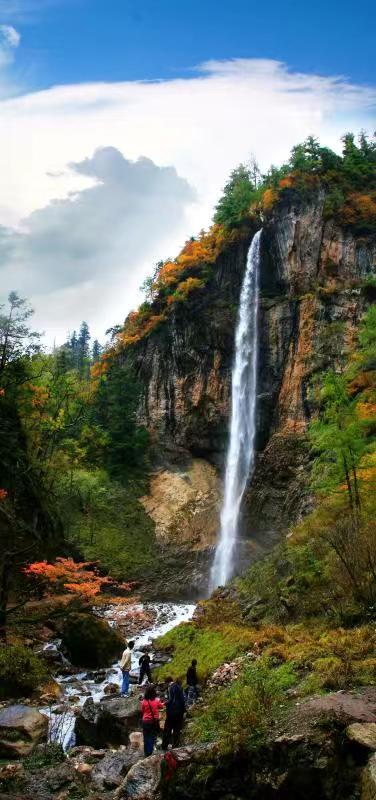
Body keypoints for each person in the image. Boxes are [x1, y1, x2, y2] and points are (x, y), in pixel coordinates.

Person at [162, 677, 186, 750]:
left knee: (167, 729)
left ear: (167, 682)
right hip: (179, 713)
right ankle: (175, 747)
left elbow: (171, 700)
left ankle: (164, 746)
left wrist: (164, 703)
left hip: (171, 712)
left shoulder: (170, 688)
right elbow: (183, 700)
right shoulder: (180, 688)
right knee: (177, 729)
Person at [141, 685, 165, 757]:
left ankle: (146, 752)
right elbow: (161, 706)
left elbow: (143, 711)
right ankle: (150, 752)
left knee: (146, 737)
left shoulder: (144, 701)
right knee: (151, 737)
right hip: (153, 722)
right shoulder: (156, 701)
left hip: (145, 721)